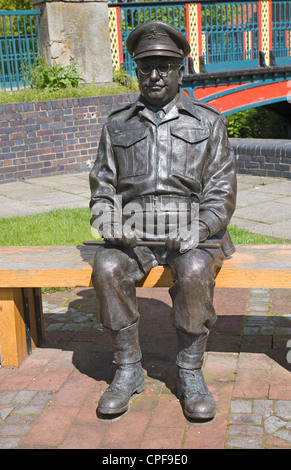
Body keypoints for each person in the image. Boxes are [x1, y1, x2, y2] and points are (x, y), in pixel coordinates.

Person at [89, 21, 237, 420]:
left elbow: (221, 191)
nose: (154, 75)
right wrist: (108, 222)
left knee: (191, 271)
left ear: (180, 70)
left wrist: (200, 228)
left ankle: (189, 370)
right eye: (145, 66)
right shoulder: (116, 124)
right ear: (136, 70)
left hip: (192, 234)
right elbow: (102, 187)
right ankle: (128, 368)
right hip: (134, 234)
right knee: (106, 266)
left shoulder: (208, 123)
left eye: (165, 66)